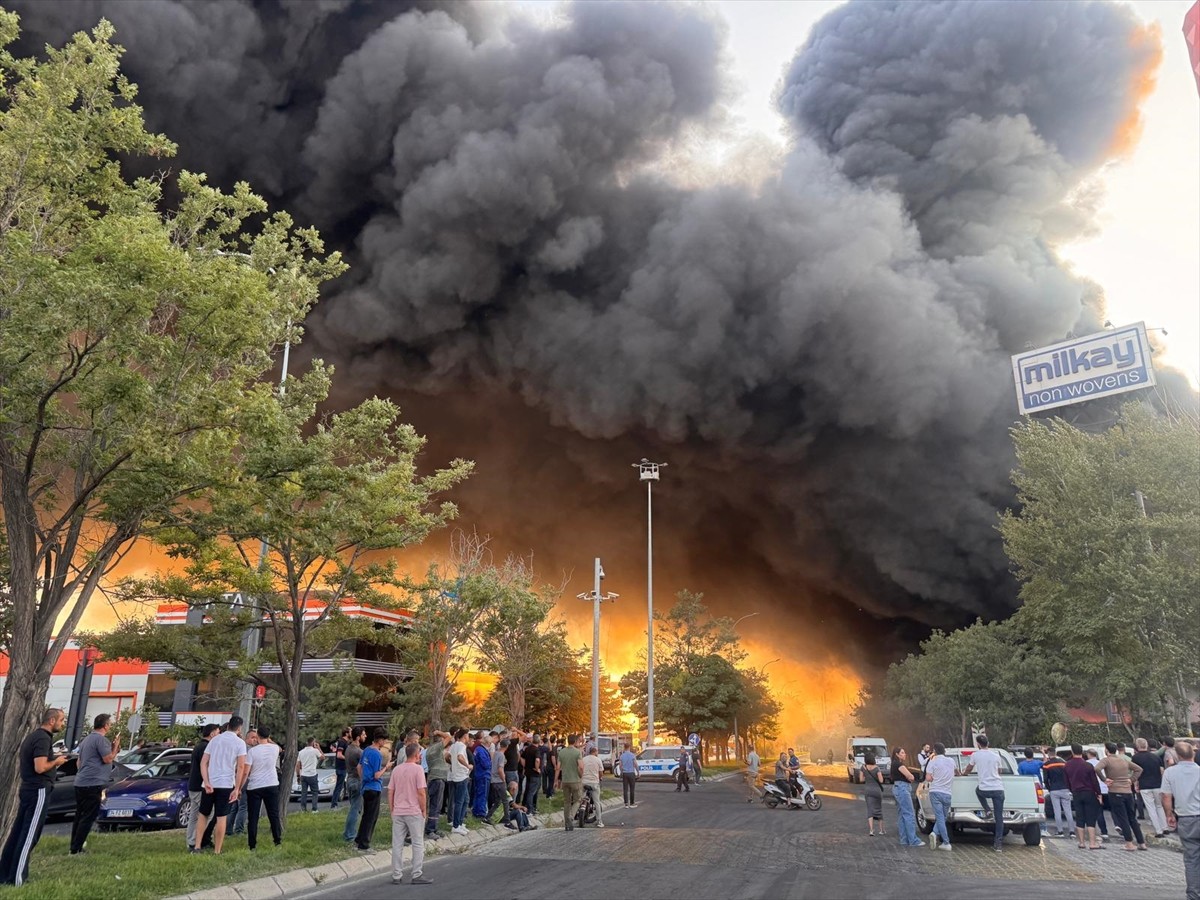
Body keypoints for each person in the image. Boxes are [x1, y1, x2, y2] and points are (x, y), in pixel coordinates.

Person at [0, 708, 69, 886]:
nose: (62, 724)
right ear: (52, 720)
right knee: (30, 834)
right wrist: (57, 761)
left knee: (18, 832)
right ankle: (17, 879)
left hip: (29, 789)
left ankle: (5, 874)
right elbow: (40, 767)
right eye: (61, 720)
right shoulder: (42, 739)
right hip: (38, 789)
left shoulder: (34, 737)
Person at [192, 715, 247, 855]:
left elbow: (203, 762)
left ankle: (197, 846)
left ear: (228, 726)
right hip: (226, 784)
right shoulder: (240, 743)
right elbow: (241, 767)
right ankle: (217, 850)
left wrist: (206, 781)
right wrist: (237, 788)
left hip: (210, 783)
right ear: (239, 728)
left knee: (203, 815)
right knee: (221, 817)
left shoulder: (215, 740)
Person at [72, 712, 122, 855]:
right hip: (93, 783)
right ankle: (77, 848)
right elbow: (108, 759)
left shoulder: (86, 740)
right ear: (105, 725)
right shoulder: (101, 740)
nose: (110, 726)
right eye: (109, 724)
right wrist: (115, 747)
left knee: (80, 815)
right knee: (89, 816)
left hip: (80, 782)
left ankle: (74, 844)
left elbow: (78, 762)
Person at [389, 741, 433, 885]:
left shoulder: (396, 770)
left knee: (397, 844)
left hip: (398, 811)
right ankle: (416, 874)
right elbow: (421, 792)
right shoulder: (418, 770)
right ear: (416, 754)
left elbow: (391, 791)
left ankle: (396, 875)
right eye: (419, 753)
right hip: (413, 811)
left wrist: (392, 809)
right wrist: (424, 810)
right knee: (417, 843)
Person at [1161, 740, 1198, 900]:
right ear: (1193, 753)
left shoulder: (1170, 773)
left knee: (1192, 859)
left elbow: (1166, 796)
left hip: (1186, 818)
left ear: (1177, 755)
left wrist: (1169, 814)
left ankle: (1194, 894)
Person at [1095, 741, 1146, 851]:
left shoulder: (1106, 760)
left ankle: (1129, 843)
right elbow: (1139, 769)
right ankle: (1141, 842)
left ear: (1106, 750)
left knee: (1123, 818)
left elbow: (1097, 768)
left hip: (1115, 791)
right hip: (1128, 792)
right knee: (1132, 818)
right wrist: (1131, 779)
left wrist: (1104, 779)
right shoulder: (1123, 760)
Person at [244, 725, 283, 851]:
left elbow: (246, 771)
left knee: (253, 816)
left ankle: (252, 844)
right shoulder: (274, 748)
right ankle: (277, 840)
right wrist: (269, 739)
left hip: (255, 785)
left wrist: (239, 787)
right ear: (269, 736)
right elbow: (280, 748)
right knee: (273, 814)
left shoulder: (252, 751)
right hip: (271, 783)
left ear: (257, 736)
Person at [963, 734, 1005, 852]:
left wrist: (963, 774)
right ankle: (998, 843)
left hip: (984, 789)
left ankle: (987, 810)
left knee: (978, 791)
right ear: (988, 743)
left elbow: (969, 768)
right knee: (999, 817)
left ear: (978, 744)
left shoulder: (975, 755)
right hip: (998, 789)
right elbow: (1000, 771)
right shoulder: (996, 755)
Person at [354, 728, 389, 851]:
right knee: (372, 817)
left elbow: (359, 767)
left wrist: (363, 779)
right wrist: (386, 767)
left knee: (366, 815)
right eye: (384, 740)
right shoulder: (377, 754)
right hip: (374, 787)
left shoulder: (366, 750)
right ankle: (364, 844)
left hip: (366, 787)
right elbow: (377, 775)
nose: (385, 742)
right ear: (380, 740)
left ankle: (359, 839)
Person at [187, 724, 220, 850]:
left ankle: (191, 841)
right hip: (201, 786)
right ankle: (198, 841)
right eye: (218, 732)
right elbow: (206, 766)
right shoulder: (206, 747)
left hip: (193, 785)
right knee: (207, 814)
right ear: (212, 734)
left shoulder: (199, 746)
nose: (219, 735)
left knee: (194, 815)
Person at [1065, 743, 1103, 850]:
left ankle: (1081, 842)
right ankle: (1092, 843)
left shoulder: (1067, 765)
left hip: (1076, 793)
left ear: (1072, 752)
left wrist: (1072, 790)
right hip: (1089, 793)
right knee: (1091, 818)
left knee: (1080, 817)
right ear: (1082, 752)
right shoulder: (1088, 765)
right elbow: (1094, 782)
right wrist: (1099, 794)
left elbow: (1066, 781)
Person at [1134, 737, 1169, 837]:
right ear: (1147, 745)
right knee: (1159, 806)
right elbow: (1162, 771)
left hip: (1144, 785)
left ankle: (1158, 830)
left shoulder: (1135, 758)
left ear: (1137, 746)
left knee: (1151, 808)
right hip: (1157, 784)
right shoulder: (1155, 757)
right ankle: (1165, 827)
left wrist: (1136, 784)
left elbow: (1136, 772)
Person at [890, 748, 924, 847]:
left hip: (897, 787)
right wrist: (911, 777)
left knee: (902, 814)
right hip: (902, 788)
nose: (904, 754)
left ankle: (904, 839)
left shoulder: (893, 764)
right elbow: (910, 776)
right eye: (902, 753)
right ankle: (913, 840)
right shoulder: (899, 765)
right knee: (909, 814)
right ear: (897, 754)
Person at [924, 743, 955, 851]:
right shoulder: (951, 761)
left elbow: (928, 778)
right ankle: (934, 833)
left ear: (934, 751)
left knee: (940, 817)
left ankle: (946, 842)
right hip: (947, 793)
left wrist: (934, 778)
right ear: (944, 751)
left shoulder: (932, 761)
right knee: (943, 817)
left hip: (935, 792)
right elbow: (956, 772)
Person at [227, 728, 257, 835]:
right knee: (243, 807)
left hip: (236, 778)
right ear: (246, 738)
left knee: (234, 806)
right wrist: (240, 786)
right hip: (244, 779)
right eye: (252, 737)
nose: (255, 740)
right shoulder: (248, 750)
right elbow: (244, 768)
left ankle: (228, 829)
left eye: (256, 738)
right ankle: (239, 829)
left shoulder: (239, 747)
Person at [1042, 749, 1075, 837]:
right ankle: (1072, 832)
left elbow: (1045, 779)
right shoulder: (1064, 763)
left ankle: (1060, 831)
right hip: (1065, 789)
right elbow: (1069, 776)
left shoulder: (1046, 765)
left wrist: (1049, 788)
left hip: (1054, 789)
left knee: (1057, 811)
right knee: (1068, 811)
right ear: (1055, 753)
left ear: (1049, 754)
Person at [342, 727, 367, 842]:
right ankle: (350, 835)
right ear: (358, 737)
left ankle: (349, 832)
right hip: (356, 781)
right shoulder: (359, 752)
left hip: (350, 779)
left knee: (354, 808)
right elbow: (363, 767)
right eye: (363, 734)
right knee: (355, 810)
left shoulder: (348, 749)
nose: (365, 736)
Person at [424, 728, 449, 840]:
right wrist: (439, 732)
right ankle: (430, 829)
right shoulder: (437, 747)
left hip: (435, 778)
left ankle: (433, 827)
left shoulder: (429, 750)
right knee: (436, 805)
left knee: (435, 805)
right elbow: (448, 737)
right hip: (438, 779)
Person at [556, 734, 584, 831]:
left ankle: (567, 824)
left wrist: (555, 780)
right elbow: (581, 766)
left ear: (568, 741)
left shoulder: (561, 752)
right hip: (575, 780)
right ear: (575, 741)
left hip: (565, 780)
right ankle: (571, 816)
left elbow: (558, 767)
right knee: (578, 800)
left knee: (566, 802)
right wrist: (581, 775)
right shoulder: (577, 752)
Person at [448, 727, 473, 836]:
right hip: (461, 776)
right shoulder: (461, 746)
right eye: (467, 735)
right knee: (460, 801)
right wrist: (467, 766)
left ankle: (460, 822)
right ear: (464, 736)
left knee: (465, 800)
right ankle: (456, 826)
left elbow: (447, 756)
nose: (468, 737)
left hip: (455, 775)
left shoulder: (454, 745)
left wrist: (452, 765)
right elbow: (459, 757)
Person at [1086, 748, 1112, 840]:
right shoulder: (1101, 763)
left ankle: (1104, 832)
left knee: (1099, 812)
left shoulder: (1086, 764)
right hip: (1106, 789)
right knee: (1113, 810)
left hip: (1096, 790)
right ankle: (1119, 826)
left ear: (1088, 754)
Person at [861, 751, 885, 836]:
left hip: (868, 790)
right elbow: (881, 780)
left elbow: (861, 779)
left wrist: (867, 778)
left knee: (870, 810)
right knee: (878, 809)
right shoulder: (877, 768)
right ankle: (881, 830)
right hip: (877, 791)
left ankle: (871, 830)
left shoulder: (863, 768)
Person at [297, 737, 323, 813]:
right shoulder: (315, 751)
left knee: (304, 793)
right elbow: (323, 757)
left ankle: (303, 809)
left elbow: (298, 765)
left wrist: (298, 775)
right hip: (312, 774)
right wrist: (319, 748)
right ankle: (314, 809)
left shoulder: (301, 752)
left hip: (304, 774)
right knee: (314, 792)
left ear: (306, 742)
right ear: (313, 742)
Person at [582, 745, 605, 828]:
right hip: (594, 783)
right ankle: (599, 821)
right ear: (595, 752)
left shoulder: (584, 759)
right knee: (597, 802)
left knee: (581, 799)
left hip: (584, 782)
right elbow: (601, 772)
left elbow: (580, 769)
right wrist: (599, 777)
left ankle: (579, 812)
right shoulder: (598, 760)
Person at [471, 731, 492, 819]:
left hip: (479, 774)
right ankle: (480, 812)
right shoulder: (482, 751)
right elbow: (486, 764)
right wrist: (490, 762)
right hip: (483, 775)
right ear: (488, 743)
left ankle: (476, 810)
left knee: (478, 793)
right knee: (482, 794)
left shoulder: (478, 749)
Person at [522, 732, 543, 813]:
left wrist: (525, 765)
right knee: (532, 791)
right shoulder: (536, 750)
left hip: (528, 771)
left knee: (527, 790)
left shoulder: (527, 748)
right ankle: (530, 808)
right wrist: (537, 769)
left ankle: (525, 805)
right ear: (539, 741)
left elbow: (522, 757)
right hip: (534, 773)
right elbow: (537, 760)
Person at [331, 727, 351, 810]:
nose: (351, 733)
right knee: (339, 786)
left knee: (340, 786)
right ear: (346, 733)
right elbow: (339, 755)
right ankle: (334, 805)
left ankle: (334, 804)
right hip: (341, 767)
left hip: (342, 767)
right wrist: (348, 758)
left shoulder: (344, 742)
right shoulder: (342, 742)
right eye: (350, 731)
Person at [620, 742, 639, 808]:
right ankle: (632, 803)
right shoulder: (632, 755)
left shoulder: (622, 756)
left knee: (625, 789)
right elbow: (635, 764)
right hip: (631, 773)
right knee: (632, 789)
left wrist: (621, 772)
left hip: (625, 773)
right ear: (629, 747)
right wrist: (638, 772)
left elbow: (620, 765)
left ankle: (626, 804)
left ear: (624, 747)